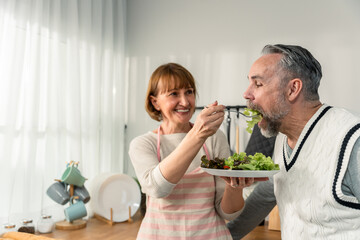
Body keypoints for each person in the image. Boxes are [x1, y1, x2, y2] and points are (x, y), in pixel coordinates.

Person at [227, 44, 360, 239]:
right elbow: (268, 191)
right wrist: (224, 236)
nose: (246, 94)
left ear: (293, 89)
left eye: (258, 84)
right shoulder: (282, 137)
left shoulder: (351, 139)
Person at [129, 63, 262, 239]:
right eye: (174, 94)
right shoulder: (143, 144)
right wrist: (198, 134)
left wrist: (235, 186)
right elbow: (157, 188)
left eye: (189, 92)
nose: (185, 102)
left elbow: (227, 213)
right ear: (155, 102)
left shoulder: (214, 138)